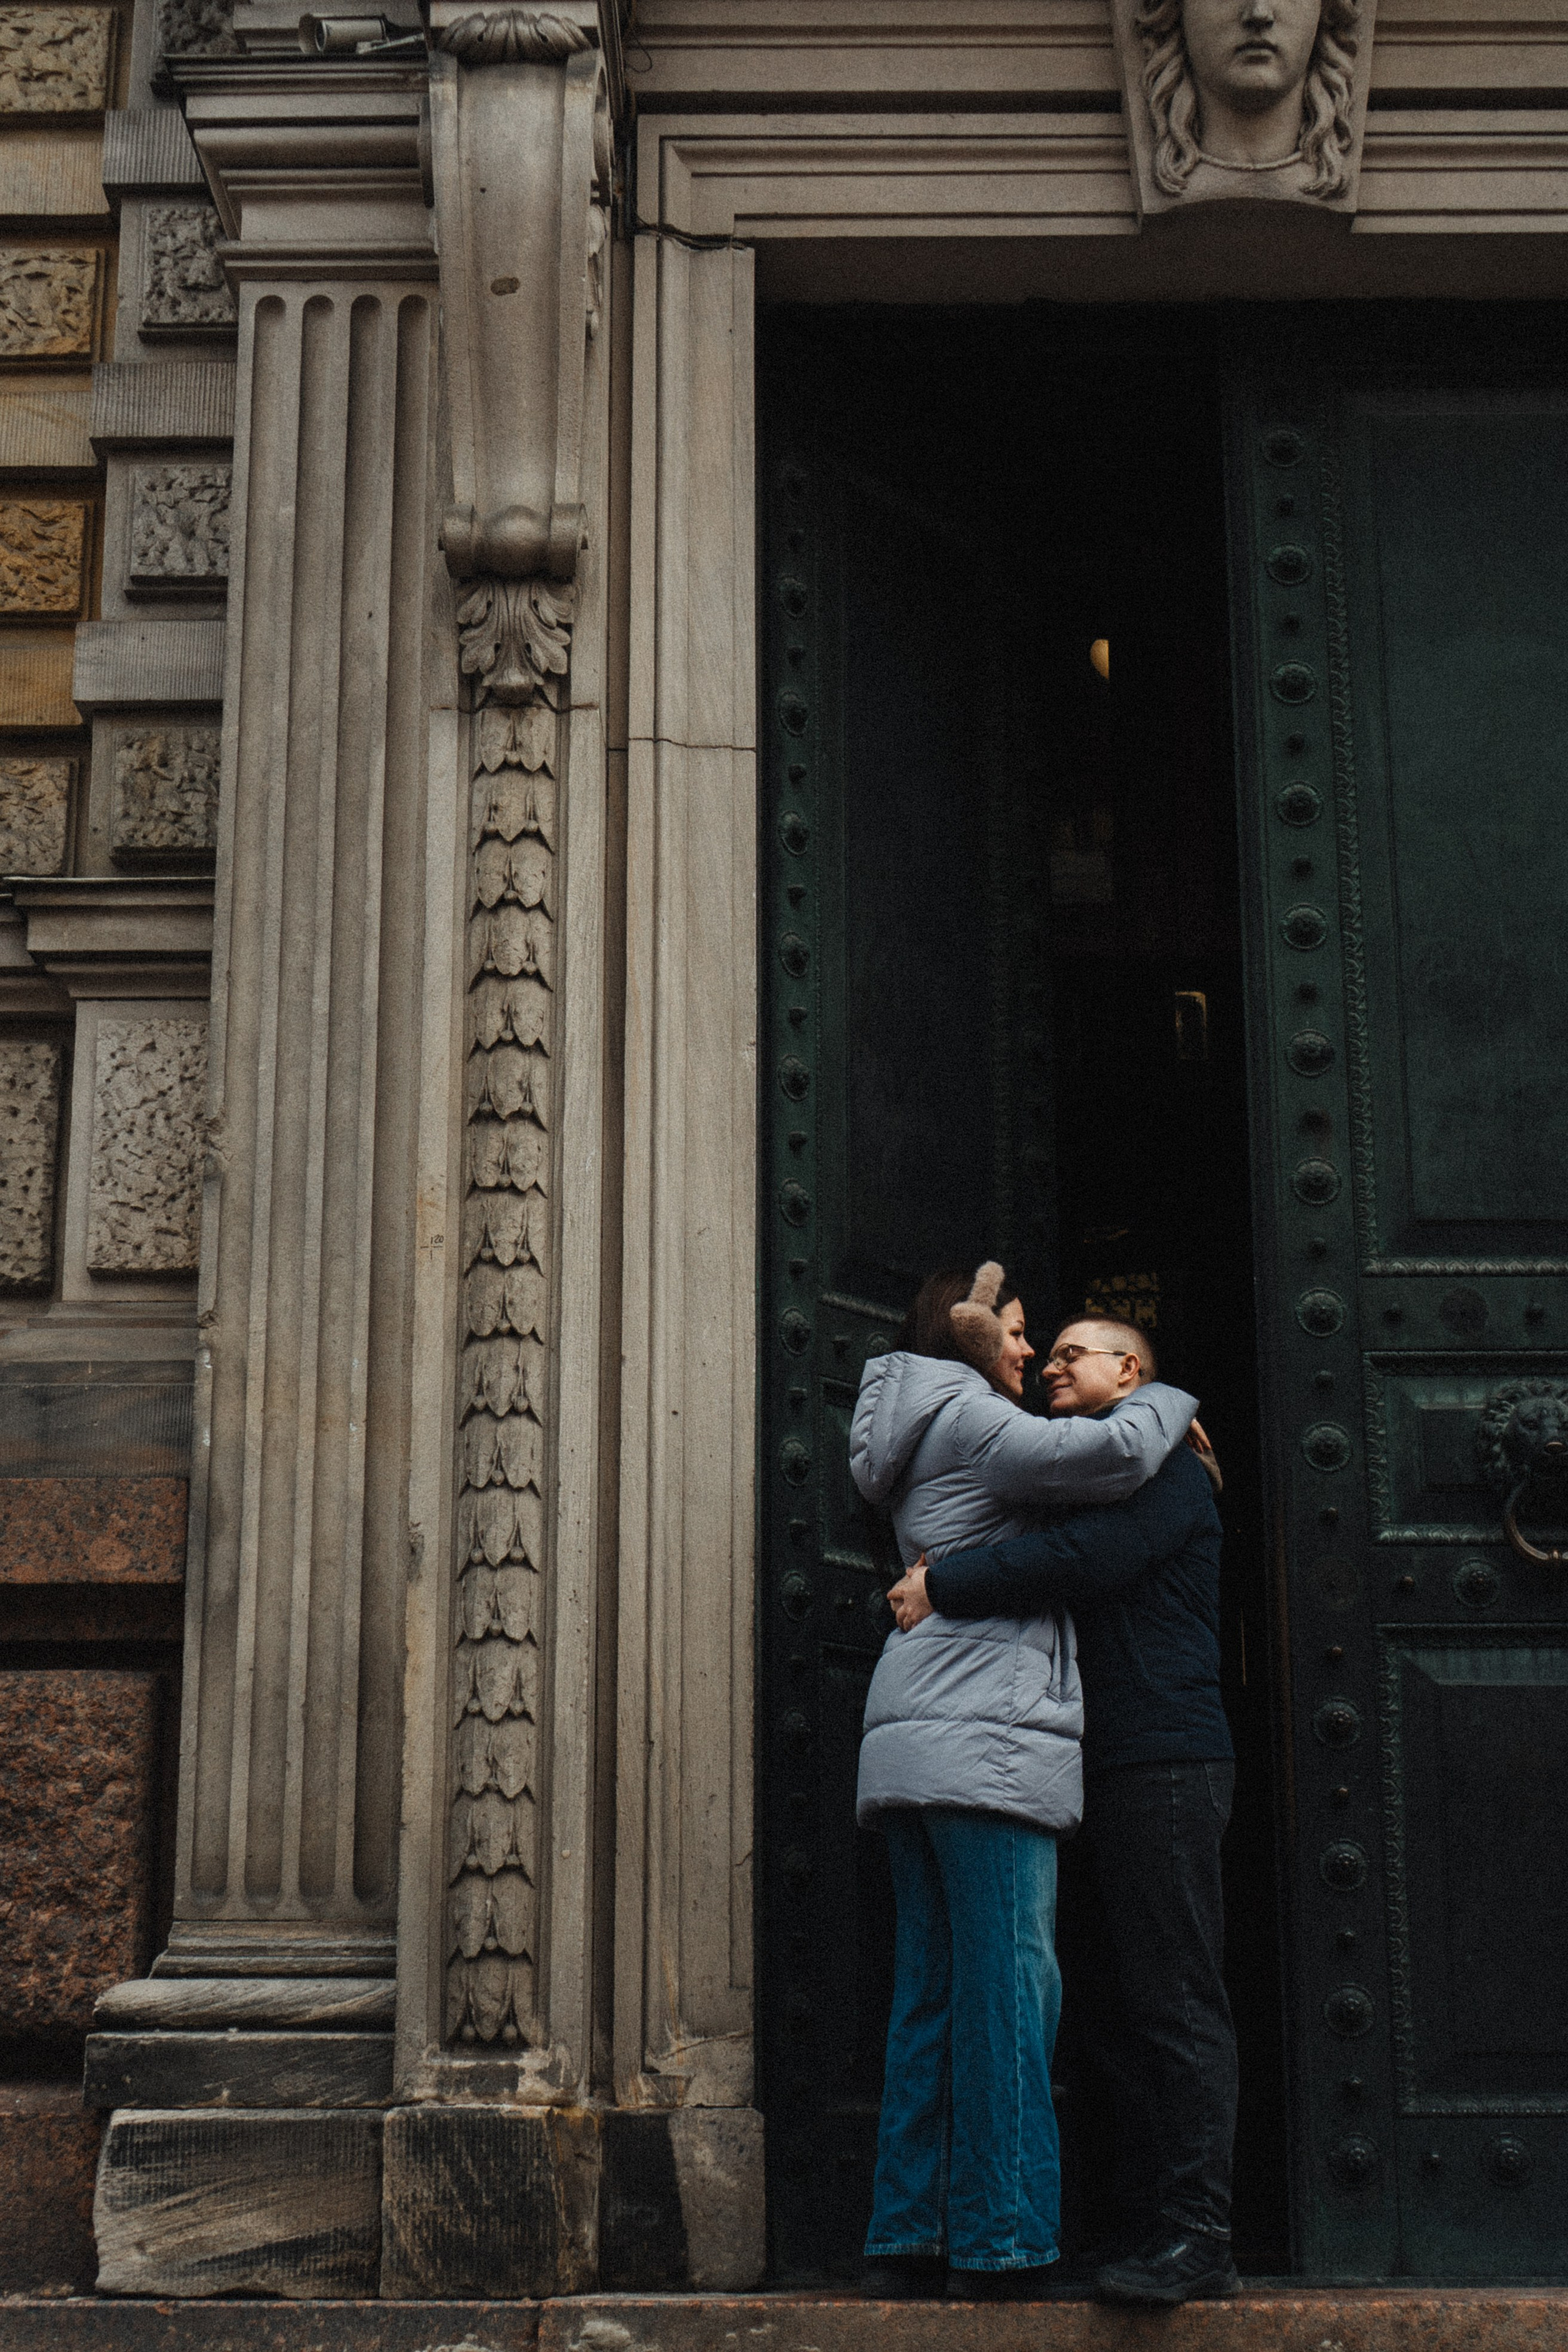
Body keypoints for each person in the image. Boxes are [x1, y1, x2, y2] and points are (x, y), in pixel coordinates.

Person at [852, 1267, 1199, 2302]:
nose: (1027, 1352)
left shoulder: (909, 1424)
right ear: (962, 1335)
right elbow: (1107, 1450)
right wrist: (1174, 1401)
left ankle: (907, 2238)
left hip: (916, 1731)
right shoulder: (969, 1414)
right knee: (1011, 1990)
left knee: (932, 1995)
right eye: (1013, 1332)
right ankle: (1003, 2244)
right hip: (984, 1738)